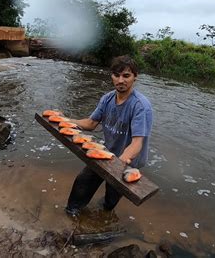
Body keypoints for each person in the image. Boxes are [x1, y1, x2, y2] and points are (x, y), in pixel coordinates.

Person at [65, 55, 153, 217]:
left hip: (128, 161)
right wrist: (66, 120)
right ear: (111, 76)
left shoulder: (141, 106)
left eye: (126, 76)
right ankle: (71, 214)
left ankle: (103, 216)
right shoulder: (107, 99)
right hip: (106, 153)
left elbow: (137, 144)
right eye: (116, 75)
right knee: (83, 182)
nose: (121, 80)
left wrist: (120, 163)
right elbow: (91, 123)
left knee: (111, 198)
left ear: (135, 77)